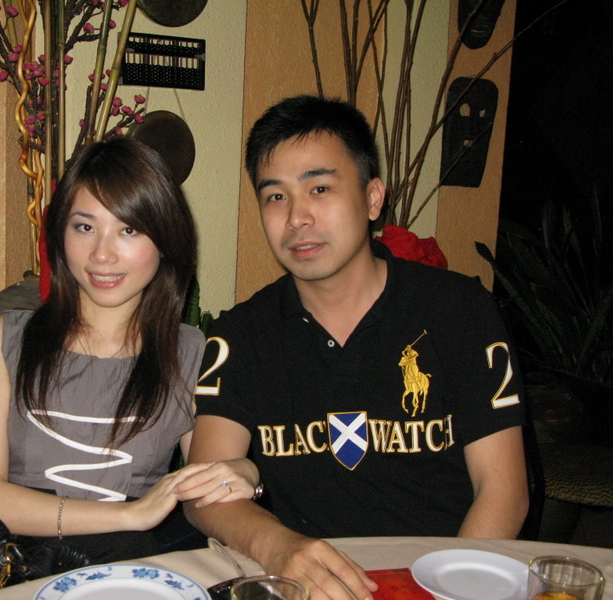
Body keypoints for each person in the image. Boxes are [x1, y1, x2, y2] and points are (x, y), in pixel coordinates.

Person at [178, 96, 529, 600]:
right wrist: (279, 548)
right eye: (275, 196)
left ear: (372, 198)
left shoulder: (460, 312)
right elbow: (204, 492)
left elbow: (504, 491)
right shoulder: (241, 335)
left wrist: (449, 586)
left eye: (319, 188)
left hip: (441, 576)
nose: (296, 217)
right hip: (309, 584)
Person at [0, 137, 259, 563]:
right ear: (60, 234)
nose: (102, 255)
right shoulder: (7, 339)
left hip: (132, 570)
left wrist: (246, 471)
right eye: (85, 227)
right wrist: (130, 514)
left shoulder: (191, 353)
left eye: (128, 229)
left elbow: (210, 486)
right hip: (22, 566)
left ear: (166, 239)